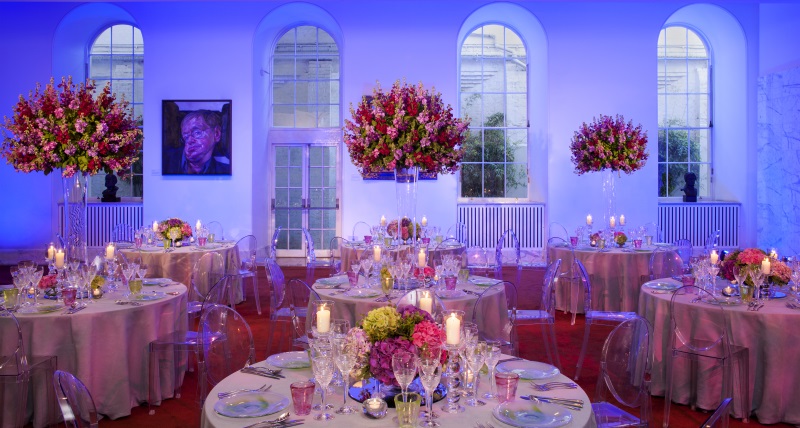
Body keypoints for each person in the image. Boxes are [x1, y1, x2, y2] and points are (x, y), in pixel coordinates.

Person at [163, 109, 231, 174]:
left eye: (197, 133)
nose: (189, 141)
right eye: (186, 136)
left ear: (216, 134)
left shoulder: (225, 171)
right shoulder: (164, 161)